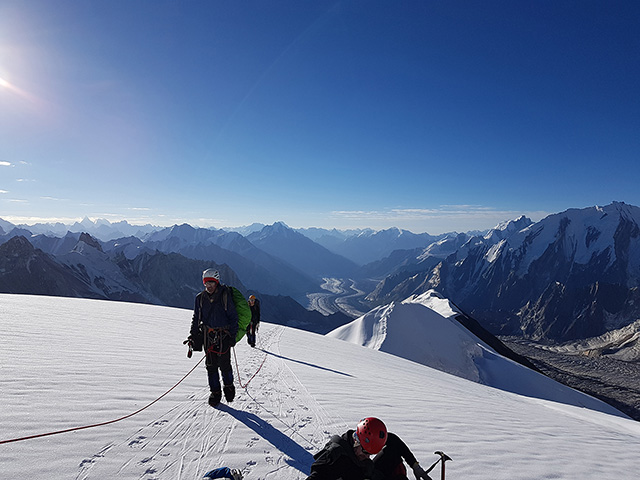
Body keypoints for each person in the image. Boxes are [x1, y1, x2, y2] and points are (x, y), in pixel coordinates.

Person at [188, 268, 239, 407]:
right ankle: (215, 392)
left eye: (211, 282)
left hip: (223, 336)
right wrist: (193, 335)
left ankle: (228, 386)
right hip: (208, 335)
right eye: (206, 282)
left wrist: (232, 337)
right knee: (210, 366)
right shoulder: (200, 298)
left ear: (217, 282)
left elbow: (233, 317)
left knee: (224, 364)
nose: (208, 285)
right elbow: (196, 318)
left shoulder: (225, 295)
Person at [306, 417, 387, 480]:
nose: (367, 457)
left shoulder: (359, 459)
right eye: (365, 452)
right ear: (357, 441)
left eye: (370, 454)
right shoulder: (336, 456)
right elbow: (317, 475)